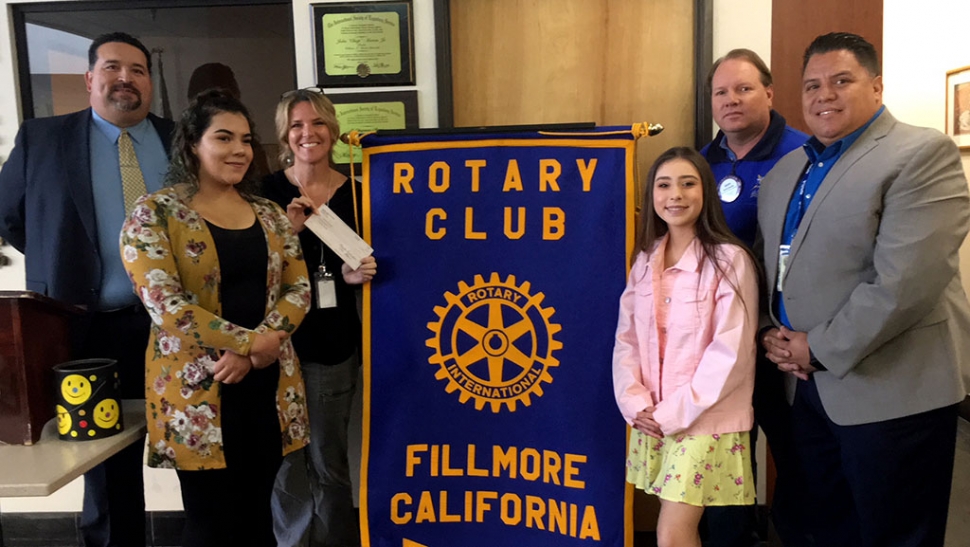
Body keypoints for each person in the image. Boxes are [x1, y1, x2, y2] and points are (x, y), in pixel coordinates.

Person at [758, 32, 970, 547]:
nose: (823, 95)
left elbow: (904, 284)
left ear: (876, 86)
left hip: (892, 390)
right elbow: (777, 266)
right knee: (824, 527)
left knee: (895, 533)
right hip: (805, 388)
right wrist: (773, 331)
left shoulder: (921, 154)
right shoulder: (789, 170)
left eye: (841, 80)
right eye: (812, 85)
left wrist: (818, 346)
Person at [0, 31, 173, 547]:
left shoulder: (181, 137)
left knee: (192, 445)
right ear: (90, 78)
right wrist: (63, 257)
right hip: (84, 324)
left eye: (138, 70)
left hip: (173, 326)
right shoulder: (42, 138)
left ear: (149, 82)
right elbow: (9, 217)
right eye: (114, 67)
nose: (126, 79)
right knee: (103, 457)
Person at [119, 89, 312, 547]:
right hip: (199, 390)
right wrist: (250, 344)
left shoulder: (269, 214)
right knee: (211, 524)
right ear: (192, 145)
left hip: (266, 386)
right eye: (223, 138)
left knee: (257, 518)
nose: (239, 150)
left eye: (246, 140)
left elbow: (297, 288)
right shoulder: (154, 213)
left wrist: (260, 347)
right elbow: (164, 304)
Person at [613, 147, 760, 547]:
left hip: (702, 419)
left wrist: (672, 413)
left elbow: (730, 353)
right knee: (675, 526)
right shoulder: (644, 260)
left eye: (687, 183)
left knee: (672, 532)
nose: (675, 194)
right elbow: (626, 338)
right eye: (664, 185)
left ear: (705, 192)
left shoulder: (730, 260)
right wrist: (635, 402)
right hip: (652, 416)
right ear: (651, 195)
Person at [700, 49, 810, 547]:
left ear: (769, 92)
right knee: (726, 453)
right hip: (721, 342)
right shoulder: (702, 163)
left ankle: (793, 534)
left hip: (784, 339)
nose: (731, 101)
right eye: (721, 92)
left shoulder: (805, 155)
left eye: (743, 89)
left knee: (796, 453)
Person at [262, 87, 376, 547]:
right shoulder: (264, 194)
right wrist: (288, 233)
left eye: (318, 124)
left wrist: (359, 275)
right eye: (296, 125)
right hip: (276, 349)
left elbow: (379, 263)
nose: (308, 133)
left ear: (332, 130)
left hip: (334, 346)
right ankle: (292, 542)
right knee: (287, 461)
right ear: (284, 136)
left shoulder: (361, 193)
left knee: (330, 460)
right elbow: (248, 269)